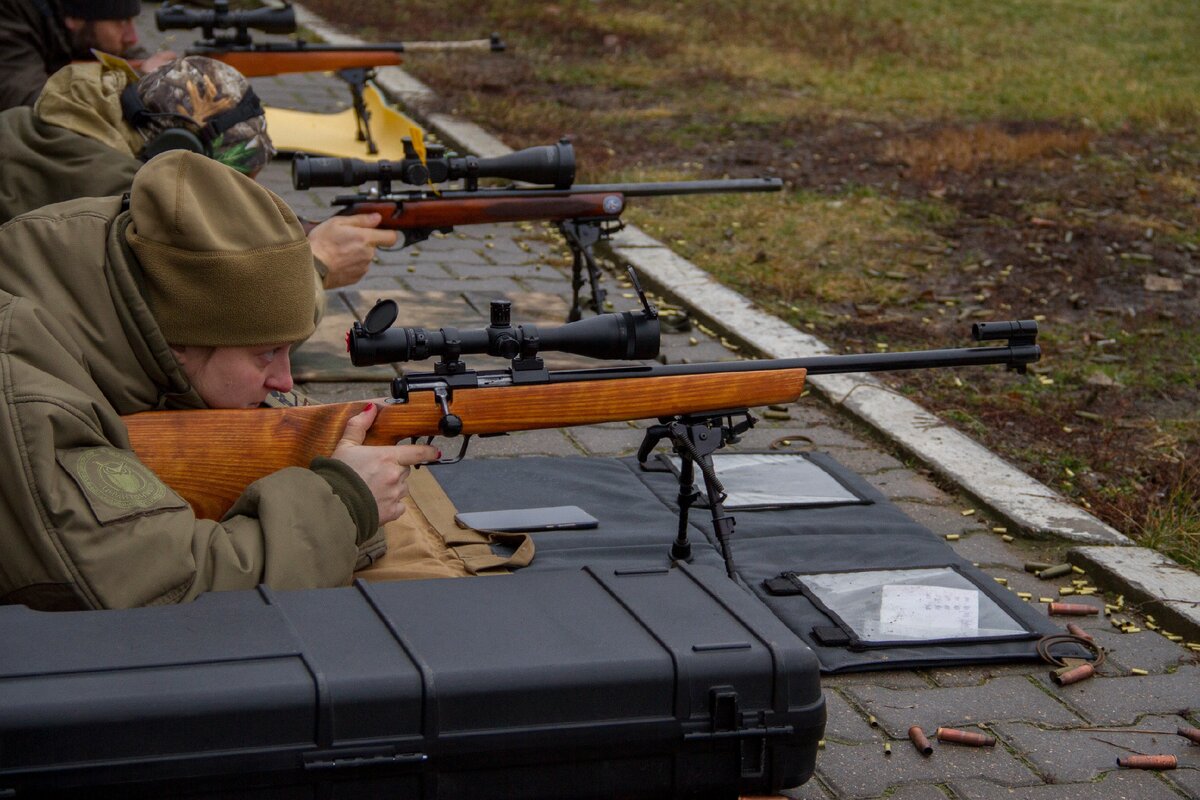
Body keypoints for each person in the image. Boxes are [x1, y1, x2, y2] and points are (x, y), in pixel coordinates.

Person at [0, 150, 439, 611]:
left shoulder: (118, 283)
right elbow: (170, 592)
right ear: (178, 344)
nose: (285, 378)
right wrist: (345, 501)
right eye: (266, 353)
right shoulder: (26, 392)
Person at [0, 55, 395, 291]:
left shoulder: (46, 125)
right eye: (227, 183)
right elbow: (219, 329)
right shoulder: (120, 197)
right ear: (175, 152)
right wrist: (316, 265)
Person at [0, 0, 173, 111]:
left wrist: (163, 71)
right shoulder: (9, 18)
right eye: (121, 22)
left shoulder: (81, 19)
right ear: (73, 19)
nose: (132, 38)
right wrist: (139, 83)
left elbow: (122, 53)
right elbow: (35, 104)